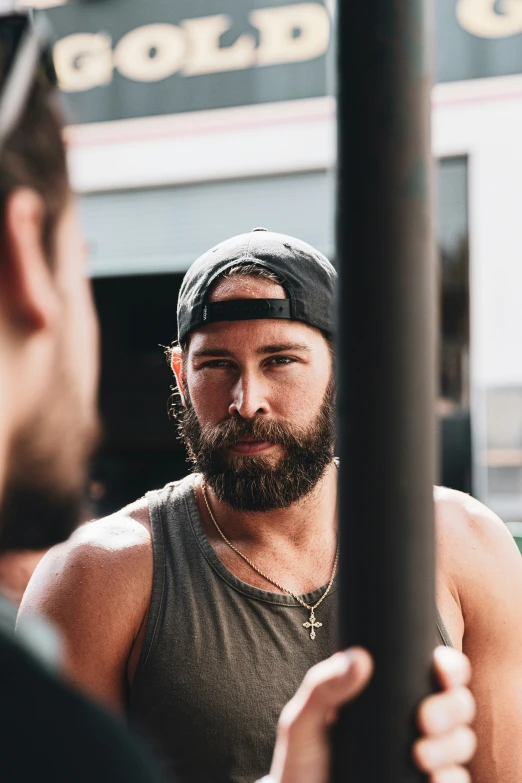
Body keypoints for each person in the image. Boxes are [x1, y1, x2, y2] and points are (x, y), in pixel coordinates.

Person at [21, 230, 478, 782]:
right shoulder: (95, 576)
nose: (247, 401)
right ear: (180, 377)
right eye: (216, 365)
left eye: (280, 360)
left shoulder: (464, 544)